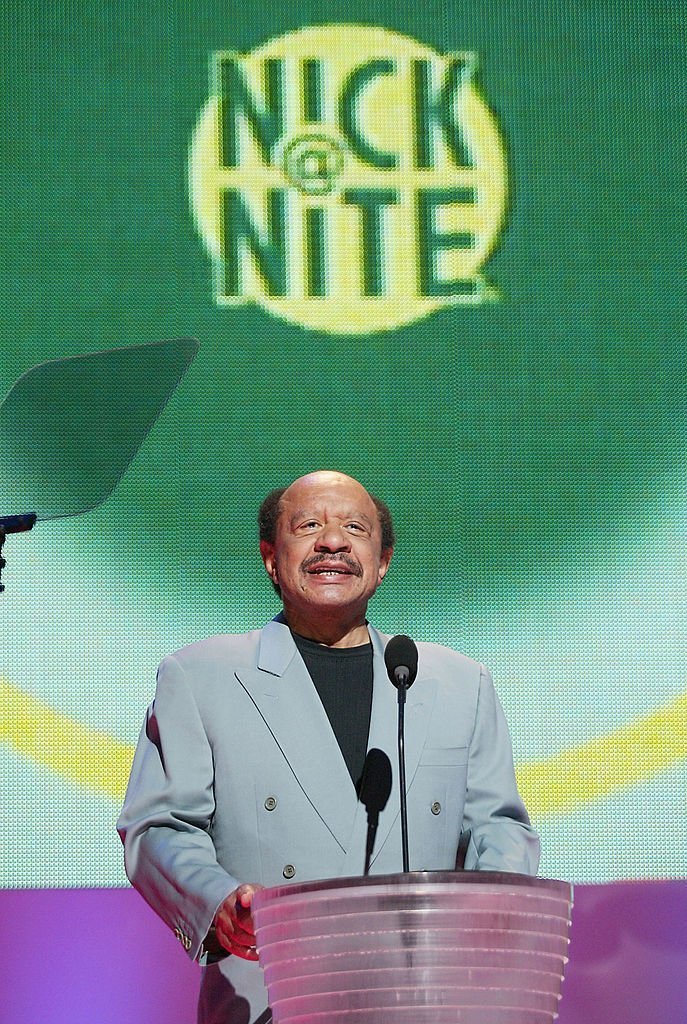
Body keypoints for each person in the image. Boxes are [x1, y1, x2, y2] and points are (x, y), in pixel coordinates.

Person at [117, 470, 539, 1024]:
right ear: (271, 557)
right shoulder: (201, 677)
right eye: (310, 525)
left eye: (354, 528)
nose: (332, 541)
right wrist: (216, 901)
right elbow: (161, 827)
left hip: (426, 1001)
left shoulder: (457, 682)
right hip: (272, 995)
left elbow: (498, 825)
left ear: (383, 561)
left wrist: (495, 913)